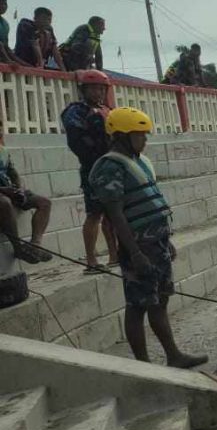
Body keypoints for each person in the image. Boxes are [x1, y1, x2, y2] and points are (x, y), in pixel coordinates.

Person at [89, 107, 207, 368]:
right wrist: (135, 253)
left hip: (158, 242)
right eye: (139, 135)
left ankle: (173, 355)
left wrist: (167, 241)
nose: (144, 140)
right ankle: (143, 364)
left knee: (160, 300)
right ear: (121, 136)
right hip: (139, 246)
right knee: (138, 304)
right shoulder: (109, 167)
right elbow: (115, 216)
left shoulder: (138, 161)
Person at [62, 69, 118, 273]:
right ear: (84, 90)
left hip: (111, 165)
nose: (98, 93)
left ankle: (114, 255)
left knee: (112, 213)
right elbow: (77, 140)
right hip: (92, 168)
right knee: (94, 213)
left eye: (101, 89)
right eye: (93, 88)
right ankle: (91, 260)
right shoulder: (76, 111)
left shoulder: (108, 109)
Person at [0, 117, 51, 263]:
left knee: (44, 203)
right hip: (3, 194)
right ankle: (18, 249)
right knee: (4, 203)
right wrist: (5, 191)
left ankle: (35, 246)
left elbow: (14, 173)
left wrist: (19, 189)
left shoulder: (3, 151)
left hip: (9, 189)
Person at [0, 0, 29, 66]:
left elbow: (6, 46)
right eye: (1, 4)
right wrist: (8, 61)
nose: (4, 6)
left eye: (5, 4)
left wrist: (23, 64)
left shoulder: (5, 24)